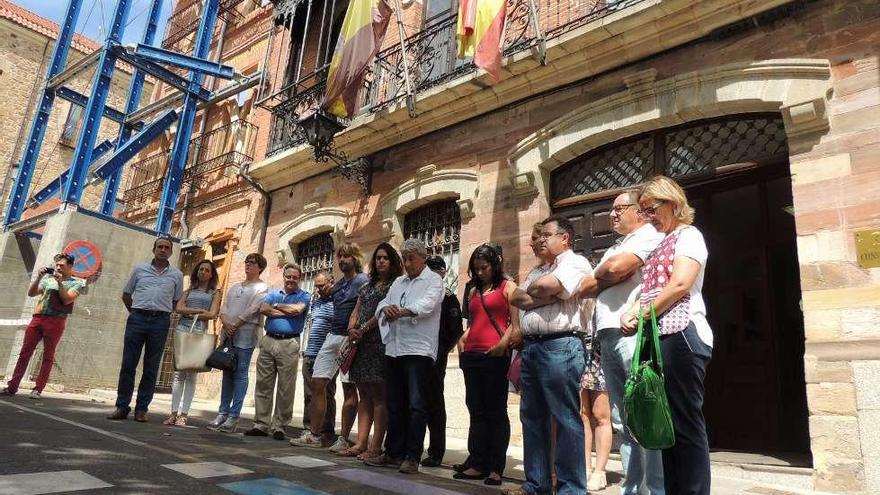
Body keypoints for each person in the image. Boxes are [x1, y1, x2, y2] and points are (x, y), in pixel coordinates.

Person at [622, 175, 712, 495]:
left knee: (686, 424)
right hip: (660, 337)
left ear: (672, 203)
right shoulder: (662, 241)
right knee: (668, 425)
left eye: (651, 209)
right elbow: (652, 289)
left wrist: (641, 313)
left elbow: (679, 284)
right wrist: (634, 308)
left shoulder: (689, 235)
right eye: (642, 211)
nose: (647, 217)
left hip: (683, 334)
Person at [574, 190, 665, 494]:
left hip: (632, 333)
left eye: (619, 209)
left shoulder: (648, 234)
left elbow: (612, 269)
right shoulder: (618, 245)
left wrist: (607, 271)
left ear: (640, 211)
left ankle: (653, 488)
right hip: (608, 336)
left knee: (644, 415)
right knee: (623, 420)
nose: (611, 215)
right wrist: (608, 272)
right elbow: (585, 286)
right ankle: (633, 486)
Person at [507, 215, 593, 495]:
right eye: (540, 235)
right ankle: (536, 485)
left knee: (566, 418)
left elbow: (539, 288)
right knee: (532, 417)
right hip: (532, 347)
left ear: (564, 238)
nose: (540, 239)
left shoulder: (576, 262)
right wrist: (549, 295)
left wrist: (541, 292)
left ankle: (571, 489)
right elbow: (516, 297)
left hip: (561, 345)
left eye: (547, 235)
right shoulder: (538, 269)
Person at [366, 238, 444, 474]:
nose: (407, 263)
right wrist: (386, 309)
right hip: (395, 348)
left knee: (417, 405)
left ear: (423, 257)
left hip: (418, 350)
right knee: (395, 404)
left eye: (411, 259)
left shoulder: (434, 280)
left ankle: (412, 456)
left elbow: (427, 305)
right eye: (405, 259)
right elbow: (382, 304)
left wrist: (400, 312)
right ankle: (392, 452)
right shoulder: (399, 282)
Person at [291, 242, 367, 451]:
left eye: (347, 256)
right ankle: (315, 435)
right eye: (340, 256)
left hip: (350, 338)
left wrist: (358, 331)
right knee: (317, 383)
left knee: (349, 387)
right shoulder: (340, 284)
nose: (342, 260)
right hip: (332, 336)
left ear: (355, 258)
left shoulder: (363, 280)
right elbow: (324, 293)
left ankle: (343, 438)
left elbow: (366, 307)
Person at [455, 244, 519, 486]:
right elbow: (474, 320)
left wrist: (503, 345)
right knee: (476, 409)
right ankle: (477, 460)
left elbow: (515, 323)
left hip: (494, 355)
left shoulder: (507, 287)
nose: (480, 272)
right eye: (476, 268)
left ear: (495, 265)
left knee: (496, 411)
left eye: (485, 267)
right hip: (471, 354)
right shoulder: (472, 289)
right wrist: (464, 338)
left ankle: (495, 467)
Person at [108, 237, 184, 422]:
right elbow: (126, 294)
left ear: (171, 252)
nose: (163, 250)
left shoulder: (177, 275)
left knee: (151, 367)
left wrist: (159, 313)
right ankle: (122, 407)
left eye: (167, 247)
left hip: (160, 322)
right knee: (128, 364)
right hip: (137, 319)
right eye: (160, 247)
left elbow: (175, 301)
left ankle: (142, 409)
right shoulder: (139, 269)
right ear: (154, 249)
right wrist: (136, 312)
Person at [341, 242, 403, 459]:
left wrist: (363, 329)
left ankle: (376, 446)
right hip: (360, 344)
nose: (381, 261)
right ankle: (361, 443)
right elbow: (356, 310)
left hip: (380, 342)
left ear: (393, 261)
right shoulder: (367, 286)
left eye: (385, 258)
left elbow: (383, 313)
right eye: (378, 258)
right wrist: (351, 328)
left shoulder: (396, 284)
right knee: (363, 393)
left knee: (379, 396)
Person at [3, 253, 84, 399]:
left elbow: (67, 300)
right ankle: (12, 386)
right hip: (38, 317)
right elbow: (31, 293)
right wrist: (39, 277)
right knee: (24, 353)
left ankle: (38, 389)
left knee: (48, 355)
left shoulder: (76, 283)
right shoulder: (48, 279)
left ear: (70, 266)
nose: (58, 267)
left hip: (56, 320)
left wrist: (60, 283)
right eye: (57, 265)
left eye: (62, 265)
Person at [244, 263, 310, 440]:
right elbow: (263, 309)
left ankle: (279, 425)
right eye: (288, 276)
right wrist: (286, 310)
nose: (291, 280)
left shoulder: (304, 295)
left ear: (300, 278)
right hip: (268, 340)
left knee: (285, 387)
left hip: (289, 342)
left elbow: (298, 310)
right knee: (263, 384)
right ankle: (261, 424)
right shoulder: (273, 293)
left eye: (295, 277)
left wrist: (277, 308)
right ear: (284, 276)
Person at [207, 253, 269, 433]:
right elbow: (224, 307)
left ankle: (234, 416)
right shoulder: (234, 287)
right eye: (247, 262)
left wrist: (236, 323)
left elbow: (254, 308)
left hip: (245, 334)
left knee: (240, 373)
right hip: (228, 333)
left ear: (260, 268)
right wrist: (226, 323)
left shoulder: (262, 287)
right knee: (226, 372)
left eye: (253, 263)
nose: (248, 265)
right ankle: (223, 412)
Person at [163, 260, 221, 427]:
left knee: (192, 374)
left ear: (211, 274)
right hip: (182, 329)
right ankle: (173, 413)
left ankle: (184, 415)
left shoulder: (215, 293)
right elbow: (179, 309)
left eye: (207, 270)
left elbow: (212, 313)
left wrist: (194, 312)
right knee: (178, 373)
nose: (203, 272)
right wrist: (198, 311)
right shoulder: (188, 291)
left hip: (198, 332)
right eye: (201, 269)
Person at [421, 255, 463, 468]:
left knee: (434, 404)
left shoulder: (449, 299)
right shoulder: (419, 294)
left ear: (444, 273)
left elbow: (456, 331)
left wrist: (442, 351)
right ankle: (411, 447)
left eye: (438, 271)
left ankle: (436, 452)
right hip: (416, 355)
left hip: (435, 356)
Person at [300, 271, 336, 444]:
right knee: (309, 394)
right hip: (310, 352)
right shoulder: (315, 301)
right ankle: (309, 428)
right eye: (316, 285)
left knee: (327, 394)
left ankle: (327, 431)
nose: (318, 289)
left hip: (327, 354)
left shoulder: (338, 302)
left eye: (322, 285)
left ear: (332, 282)